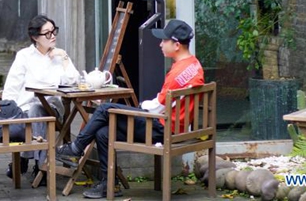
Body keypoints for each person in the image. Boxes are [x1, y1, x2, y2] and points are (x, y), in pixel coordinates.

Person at [55, 19, 204, 199]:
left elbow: (157, 107)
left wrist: (141, 106)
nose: (160, 44)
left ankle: (76, 147)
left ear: (177, 45)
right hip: (177, 126)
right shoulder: (195, 65)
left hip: (162, 129)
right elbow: (166, 103)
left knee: (105, 110)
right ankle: (109, 184)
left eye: (164, 41)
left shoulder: (177, 73)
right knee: (103, 132)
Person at [2, 15, 80, 185]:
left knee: (37, 109)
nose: (53, 36)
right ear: (35, 37)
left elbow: (74, 80)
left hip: (52, 110)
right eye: (47, 33)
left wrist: (64, 57)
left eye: (54, 31)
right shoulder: (24, 56)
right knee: (33, 110)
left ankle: (30, 160)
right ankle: (41, 165)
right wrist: (9, 112)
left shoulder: (59, 55)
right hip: (24, 113)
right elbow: (11, 89)